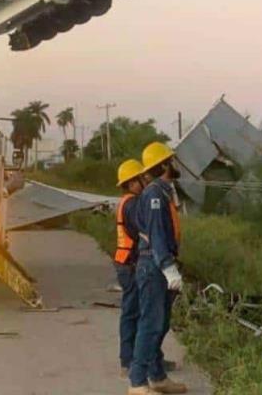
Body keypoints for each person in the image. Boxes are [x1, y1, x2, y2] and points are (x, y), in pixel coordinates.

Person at [127, 142, 186, 395]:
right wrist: (168, 268)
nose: (175, 164)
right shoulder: (153, 195)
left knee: (160, 324)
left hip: (157, 263)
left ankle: (157, 375)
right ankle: (137, 382)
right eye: (171, 160)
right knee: (151, 324)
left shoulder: (162, 193)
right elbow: (157, 234)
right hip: (153, 265)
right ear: (163, 165)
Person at [114, 159, 145, 378]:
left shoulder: (125, 201)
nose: (144, 182)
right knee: (133, 312)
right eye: (140, 179)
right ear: (132, 183)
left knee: (133, 311)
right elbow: (141, 232)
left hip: (125, 261)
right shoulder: (132, 204)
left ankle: (135, 357)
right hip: (130, 264)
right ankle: (129, 360)